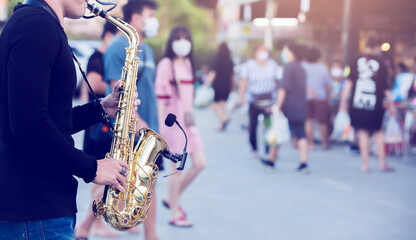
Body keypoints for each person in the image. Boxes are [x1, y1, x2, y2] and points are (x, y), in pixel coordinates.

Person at [0, 0, 132, 239]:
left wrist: (100, 108)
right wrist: (92, 168)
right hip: (36, 213)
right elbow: (29, 124)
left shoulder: (37, 23)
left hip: (36, 213)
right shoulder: (36, 26)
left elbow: (48, 119)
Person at [103, 0, 162, 239]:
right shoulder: (118, 47)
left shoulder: (146, 48)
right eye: (149, 14)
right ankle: (88, 225)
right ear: (136, 18)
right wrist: (141, 127)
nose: (152, 20)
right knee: (115, 186)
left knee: (147, 185)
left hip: (147, 128)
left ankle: (151, 235)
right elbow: (118, 96)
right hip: (131, 132)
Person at [74, 21, 124, 240]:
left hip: (102, 120)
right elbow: (93, 84)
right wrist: (119, 85)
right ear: (109, 35)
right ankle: (89, 225)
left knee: (113, 175)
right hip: (97, 126)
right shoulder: (99, 56)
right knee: (102, 179)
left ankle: (94, 223)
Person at [155, 26, 206, 227]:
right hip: (173, 123)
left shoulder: (187, 63)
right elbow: (161, 99)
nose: (182, 42)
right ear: (171, 42)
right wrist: (161, 129)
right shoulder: (166, 64)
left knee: (200, 162)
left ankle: (172, 200)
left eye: (186, 38)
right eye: (178, 38)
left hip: (188, 122)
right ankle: (175, 213)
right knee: (176, 169)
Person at [339, 34, 395, 172]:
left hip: (357, 102)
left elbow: (349, 82)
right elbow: (386, 87)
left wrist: (343, 101)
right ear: (377, 47)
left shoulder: (355, 59)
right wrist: (392, 104)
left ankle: (365, 165)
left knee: (363, 132)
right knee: (378, 131)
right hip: (376, 103)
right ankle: (382, 163)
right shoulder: (381, 62)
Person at [239, 44, 279, 164]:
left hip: (269, 101)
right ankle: (254, 148)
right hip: (254, 101)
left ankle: (268, 149)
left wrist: (277, 101)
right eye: (261, 50)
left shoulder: (273, 65)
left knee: (269, 126)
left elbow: (277, 83)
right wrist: (243, 98)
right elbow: (244, 83)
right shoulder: (249, 66)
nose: (263, 53)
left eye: (265, 51)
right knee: (253, 125)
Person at [275, 42, 310, 173]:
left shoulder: (288, 68)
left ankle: (271, 159)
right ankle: (303, 162)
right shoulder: (301, 68)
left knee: (278, 130)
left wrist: (277, 106)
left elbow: (283, 89)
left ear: (290, 51)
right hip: (300, 105)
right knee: (301, 134)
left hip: (288, 107)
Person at [303, 46, 332, 150]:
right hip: (320, 97)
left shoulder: (303, 67)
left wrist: (308, 90)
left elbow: (300, 83)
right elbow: (327, 85)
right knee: (322, 121)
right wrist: (328, 96)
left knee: (308, 120)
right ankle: (324, 143)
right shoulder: (322, 67)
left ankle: (311, 143)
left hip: (306, 97)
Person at [205, 42, 234, 131]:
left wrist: (206, 83)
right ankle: (221, 125)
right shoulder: (230, 61)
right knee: (222, 105)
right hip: (227, 86)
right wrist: (233, 86)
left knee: (212, 103)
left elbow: (213, 73)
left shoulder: (217, 60)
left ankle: (224, 118)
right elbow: (232, 76)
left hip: (218, 86)